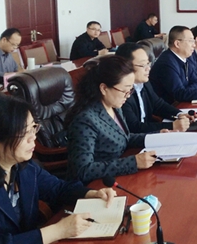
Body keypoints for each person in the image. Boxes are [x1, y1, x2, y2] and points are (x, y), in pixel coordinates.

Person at [0, 94, 116, 244]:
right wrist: (58, 231)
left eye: (33, 128)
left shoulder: (25, 167)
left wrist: (91, 194)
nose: (33, 138)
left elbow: (57, 188)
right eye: (23, 133)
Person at [66, 55, 156, 184]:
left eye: (130, 90)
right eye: (124, 91)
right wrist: (134, 162)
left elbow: (124, 138)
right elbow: (83, 170)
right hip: (96, 186)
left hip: (117, 176)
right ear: (104, 88)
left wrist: (156, 137)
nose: (127, 96)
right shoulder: (85, 120)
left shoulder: (114, 106)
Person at [115, 43, 192, 133]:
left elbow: (158, 104)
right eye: (143, 65)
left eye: (148, 63)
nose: (148, 68)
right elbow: (134, 127)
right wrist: (172, 126)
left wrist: (180, 114)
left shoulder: (144, 83)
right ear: (126, 67)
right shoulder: (121, 92)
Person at [149, 26, 197, 103]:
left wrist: (187, 92)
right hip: (170, 107)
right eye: (190, 41)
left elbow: (196, 81)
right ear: (177, 44)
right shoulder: (167, 63)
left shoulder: (185, 58)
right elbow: (179, 94)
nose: (194, 45)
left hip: (182, 103)